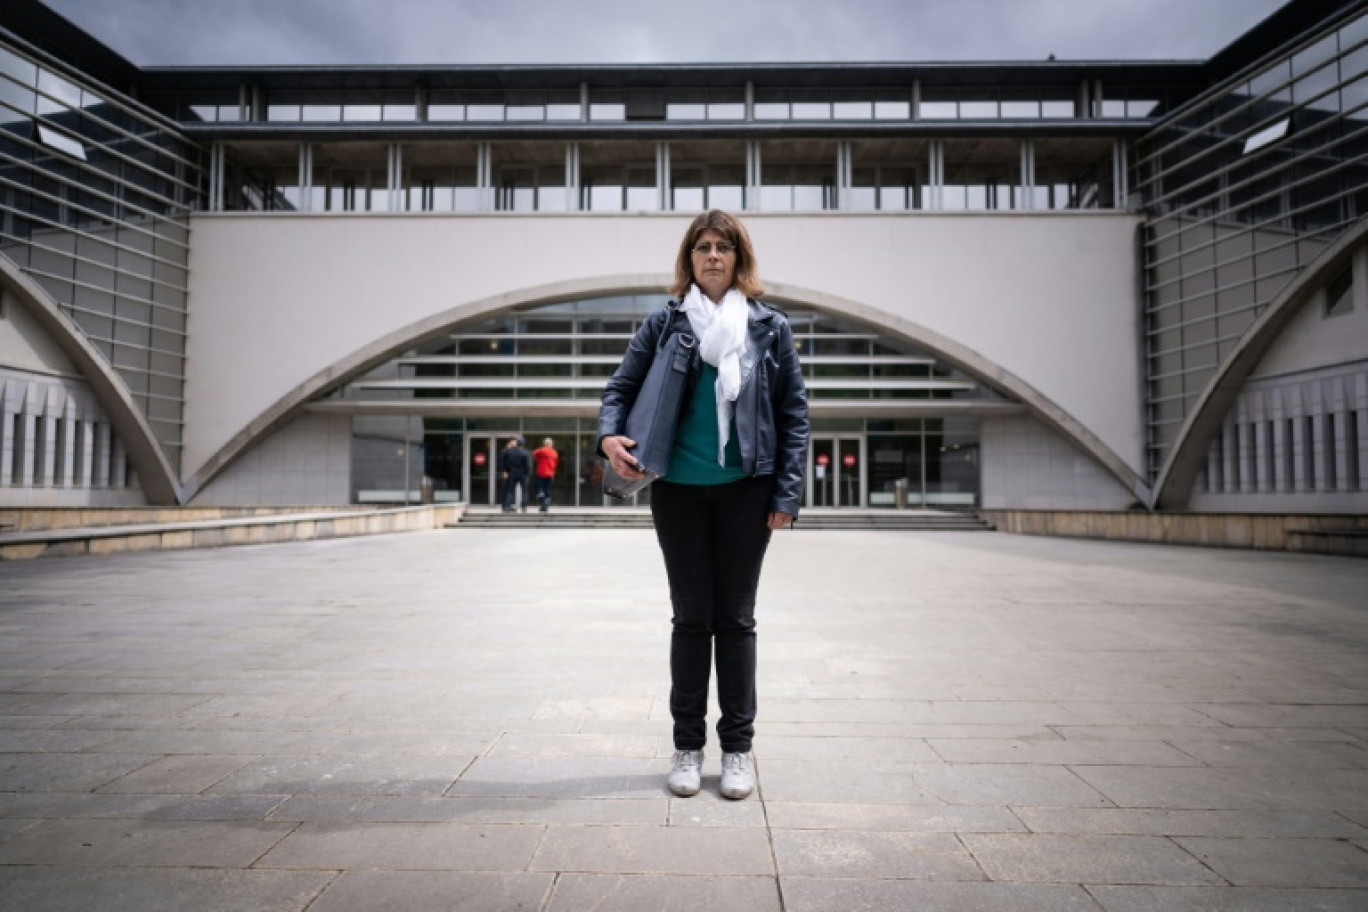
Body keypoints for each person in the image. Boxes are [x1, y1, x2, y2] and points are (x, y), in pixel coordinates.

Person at [599, 210, 808, 800]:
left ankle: (737, 750)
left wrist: (787, 493)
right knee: (692, 619)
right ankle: (688, 747)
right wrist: (608, 436)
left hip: (748, 491)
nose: (713, 256)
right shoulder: (665, 323)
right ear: (688, 259)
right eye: (702, 247)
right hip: (679, 491)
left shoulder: (770, 326)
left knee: (736, 621)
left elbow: (794, 414)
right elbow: (619, 389)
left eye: (723, 247)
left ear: (739, 258)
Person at [499, 436, 530, 512]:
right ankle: (524, 507)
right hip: (522, 473)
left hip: (513, 472)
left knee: (510, 491)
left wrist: (507, 470)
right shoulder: (525, 452)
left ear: (517, 443)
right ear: (523, 444)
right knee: (524, 491)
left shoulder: (510, 452)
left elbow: (507, 463)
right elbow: (527, 465)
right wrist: (527, 473)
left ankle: (507, 506)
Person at [531, 437, 559, 512]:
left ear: (545, 444)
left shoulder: (541, 450)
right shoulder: (554, 452)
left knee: (540, 489)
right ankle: (546, 503)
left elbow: (533, 453)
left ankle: (542, 503)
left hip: (541, 473)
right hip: (550, 473)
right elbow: (556, 464)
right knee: (548, 489)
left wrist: (538, 458)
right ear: (550, 444)